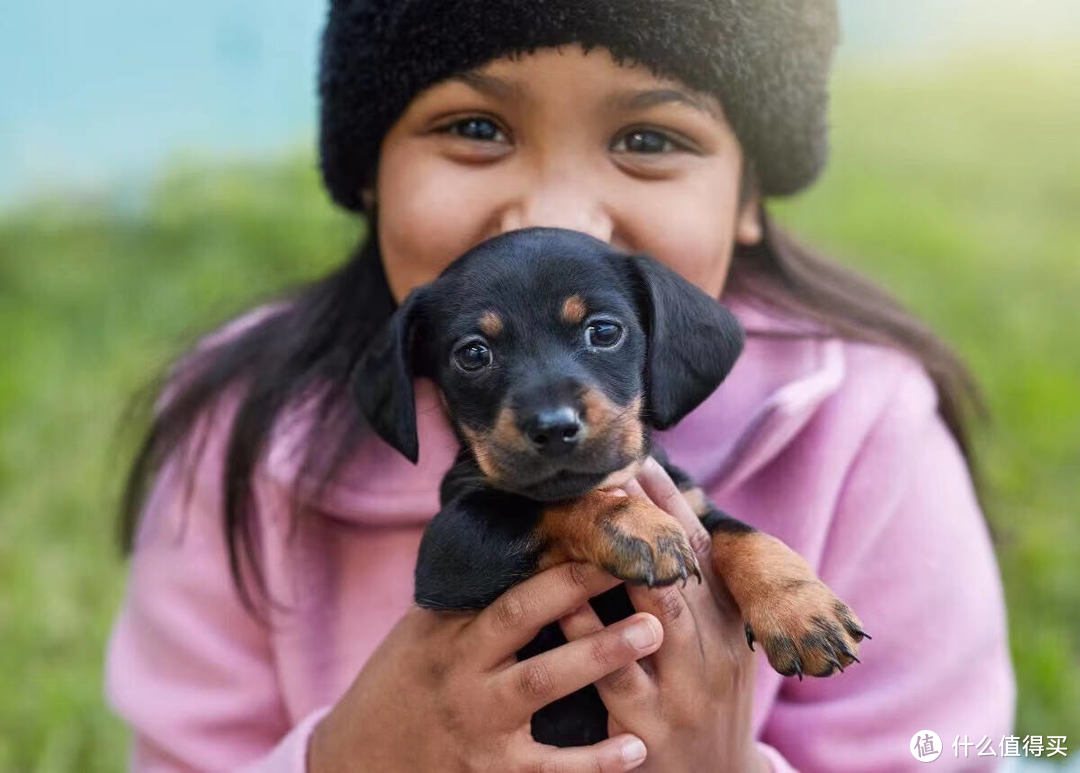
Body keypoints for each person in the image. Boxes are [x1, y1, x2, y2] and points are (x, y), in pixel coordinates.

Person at [104, 1, 1016, 770]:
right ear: (368, 173)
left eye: (649, 137)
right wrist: (343, 756)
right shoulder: (240, 432)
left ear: (749, 197)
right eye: (475, 127)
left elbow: (949, 749)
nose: (554, 213)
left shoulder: (865, 426)